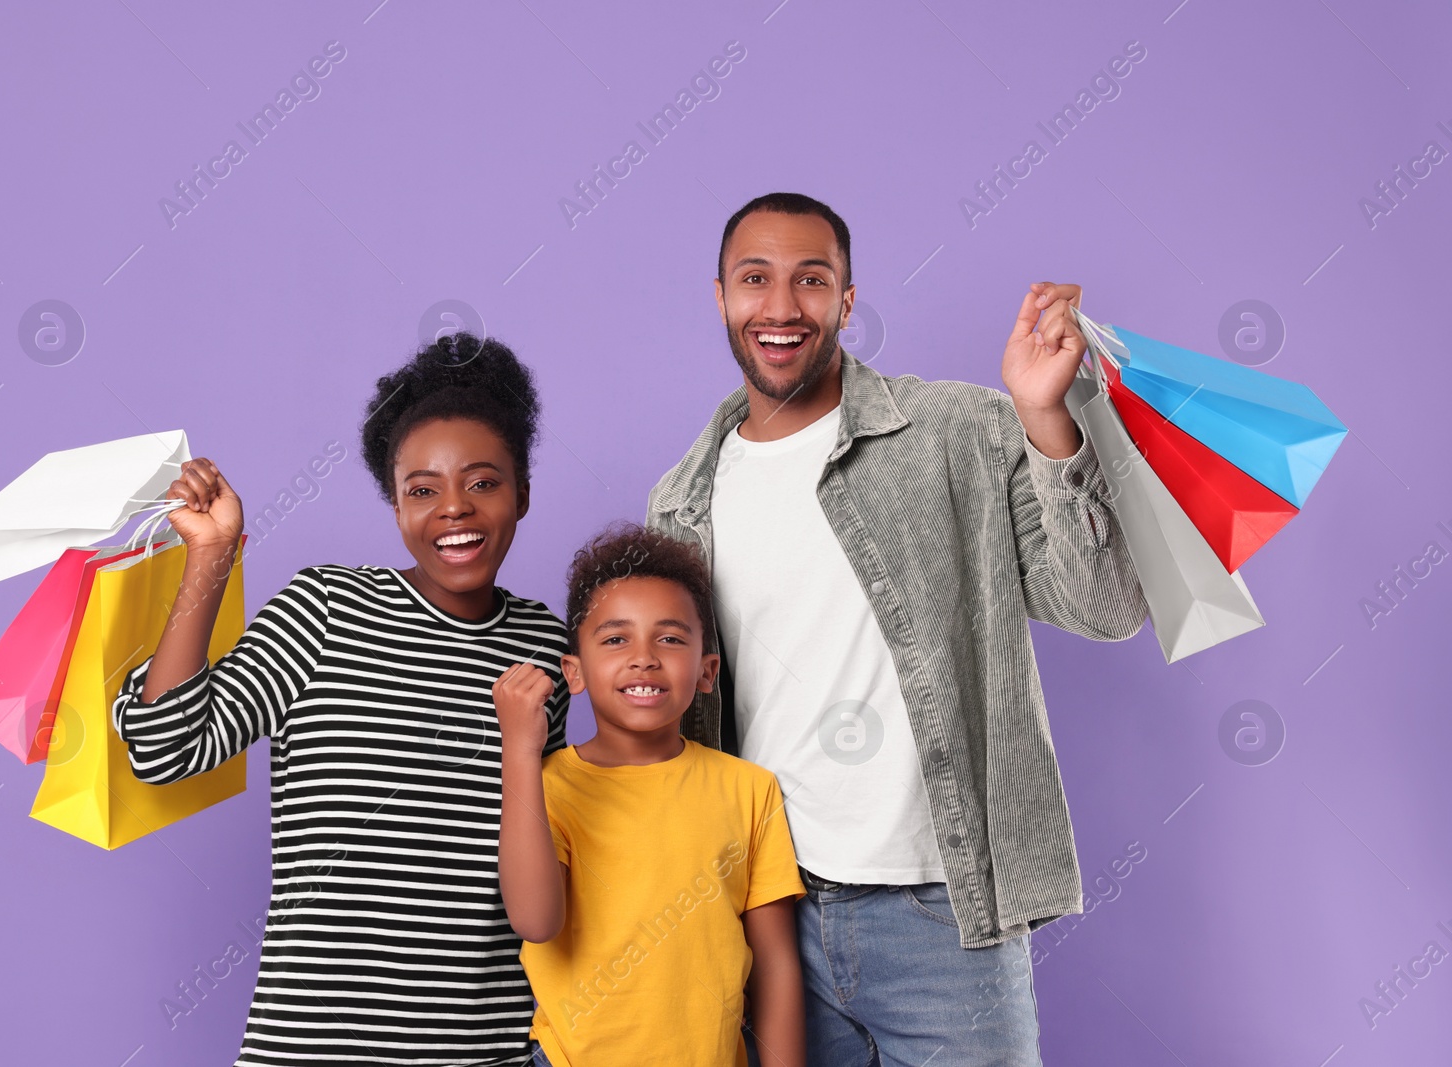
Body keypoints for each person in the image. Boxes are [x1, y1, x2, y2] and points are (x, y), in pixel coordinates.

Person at [645, 192, 1149, 1065]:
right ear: (719, 296)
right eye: (754, 279)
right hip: (768, 918)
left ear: (846, 300)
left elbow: (1107, 607)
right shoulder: (681, 501)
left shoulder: (953, 431)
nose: (779, 307)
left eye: (811, 280)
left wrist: (1045, 419)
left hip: (943, 915)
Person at [110, 333, 572, 1066]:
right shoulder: (327, 608)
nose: (454, 508)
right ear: (395, 506)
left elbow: (556, 853)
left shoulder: (547, 646)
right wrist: (211, 556)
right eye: (423, 489)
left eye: (483, 482)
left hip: (486, 1049)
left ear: (522, 492)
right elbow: (164, 748)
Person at [493, 524, 807, 1067]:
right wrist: (519, 753)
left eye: (670, 638)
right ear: (575, 671)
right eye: (616, 639)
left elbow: (775, 965)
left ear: (707, 671)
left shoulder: (750, 789)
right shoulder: (546, 783)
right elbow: (535, 921)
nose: (644, 657)